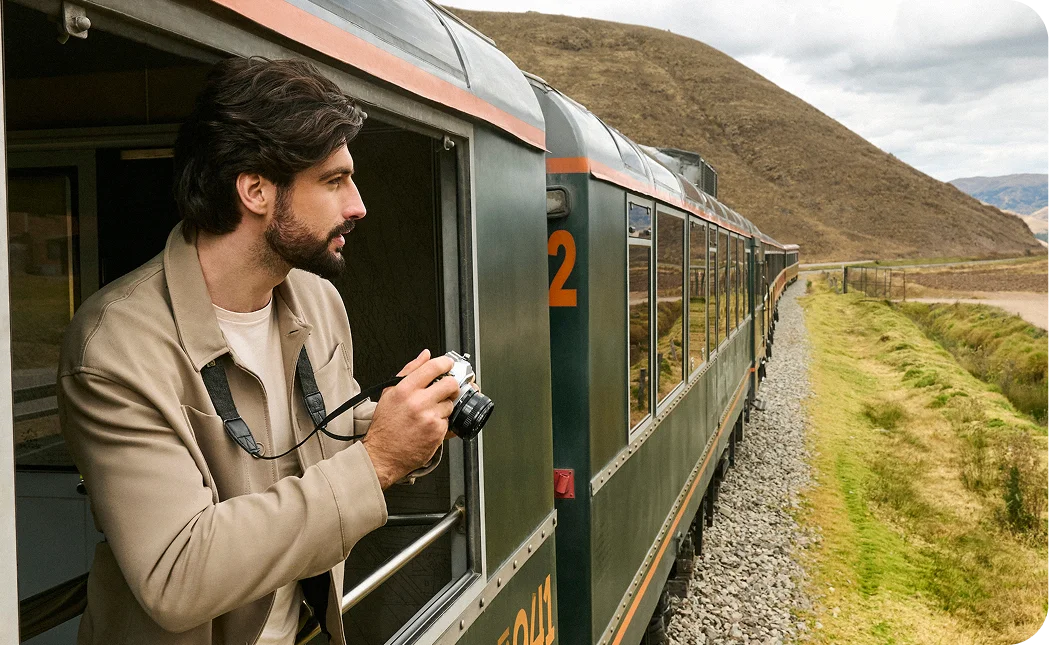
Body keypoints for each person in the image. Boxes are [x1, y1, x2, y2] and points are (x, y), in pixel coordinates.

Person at [56, 57, 462, 645]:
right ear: (255, 190)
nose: (358, 205)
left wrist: (410, 423)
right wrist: (378, 461)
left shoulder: (318, 300)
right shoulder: (114, 349)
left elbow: (332, 432)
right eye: (333, 180)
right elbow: (176, 575)